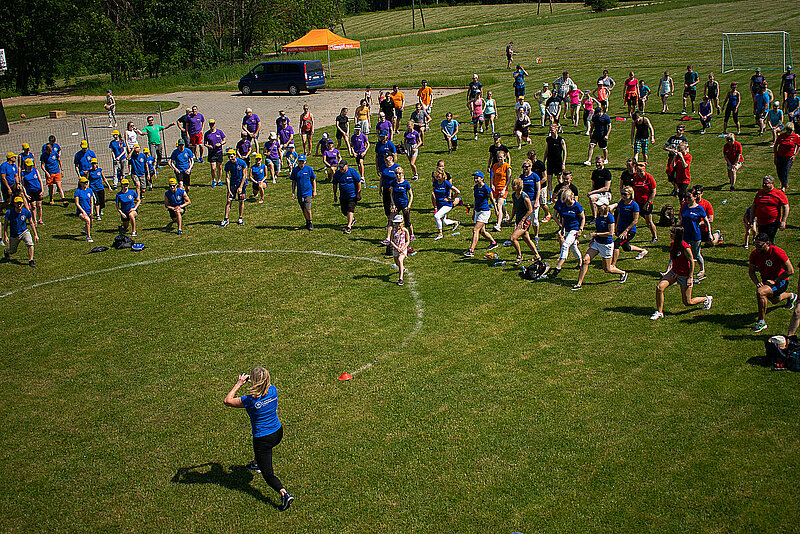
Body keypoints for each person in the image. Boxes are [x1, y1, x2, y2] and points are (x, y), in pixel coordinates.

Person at [223, 367, 294, 511]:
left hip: (263, 439)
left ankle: (284, 494)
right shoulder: (273, 390)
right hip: (278, 433)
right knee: (262, 455)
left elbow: (227, 401)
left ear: (254, 382)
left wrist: (239, 384)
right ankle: (256, 463)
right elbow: (262, 390)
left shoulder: (249, 400)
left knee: (268, 474)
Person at [650, 226, 713, 320]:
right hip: (674, 272)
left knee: (688, 302)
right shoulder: (672, 244)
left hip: (684, 275)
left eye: (673, 232)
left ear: (678, 235)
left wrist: (690, 277)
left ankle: (706, 299)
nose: (670, 233)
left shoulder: (685, 247)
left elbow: (691, 261)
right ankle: (659, 312)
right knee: (660, 287)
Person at [573, 196, 628, 290]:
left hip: (606, 245)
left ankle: (622, 273)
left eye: (600, 205)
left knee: (607, 269)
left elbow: (611, 233)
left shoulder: (610, 217)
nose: (598, 207)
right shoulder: (599, 215)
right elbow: (598, 229)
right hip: (597, 243)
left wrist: (596, 234)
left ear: (605, 206)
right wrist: (593, 239)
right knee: (585, 260)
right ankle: (579, 283)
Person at [748, 233, 796, 333]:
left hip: (781, 281)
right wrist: (757, 282)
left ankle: (761, 322)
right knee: (775, 300)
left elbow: (790, 270)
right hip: (767, 282)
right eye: (755, 245)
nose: (757, 248)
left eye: (759, 245)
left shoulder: (777, 252)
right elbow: (751, 271)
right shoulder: (754, 254)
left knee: (761, 292)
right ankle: (791, 296)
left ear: (767, 243)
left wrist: (775, 281)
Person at [549, 189, 584, 279]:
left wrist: (580, 229)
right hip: (567, 229)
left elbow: (583, 218)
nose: (566, 201)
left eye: (567, 199)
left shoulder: (577, 206)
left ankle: (558, 267)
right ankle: (580, 262)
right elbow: (563, 217)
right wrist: (562, 228)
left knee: (565, 245)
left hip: (575, 229)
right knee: (573, 247)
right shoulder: (564, 205)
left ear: (572, 197)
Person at [610, 185, 648, 268]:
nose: (623, 196)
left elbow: (635, 220)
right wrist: (617, 227)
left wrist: (626, 231)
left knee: (616, 244)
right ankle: (642, 250)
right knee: (626, 247)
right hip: (621, 228)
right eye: (622, 194)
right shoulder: (622, 203)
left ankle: (613, 264)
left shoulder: (634, 205)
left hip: (630, 231)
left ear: (630, 195)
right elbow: (619, 214)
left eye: (625, 194)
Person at [679, 188, 712, 282]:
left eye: (689, 197)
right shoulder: (685, 206)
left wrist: (709, 233)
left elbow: (707, 221)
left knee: (696, 254)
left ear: (695, 197)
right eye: (686, 197)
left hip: (695, 235)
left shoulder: (699, 209)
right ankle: (686, 270)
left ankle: (702, 269)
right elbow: (682, 220)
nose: (687, 199)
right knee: (684, 253)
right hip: (685, 235)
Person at [507, 177, 542, 266]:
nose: (512, 186)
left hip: (525, 221)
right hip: (518, 220)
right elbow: (514, 207)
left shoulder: (524, 197)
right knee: (526, 239)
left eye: (514, 185)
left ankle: (519, 256)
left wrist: (522, 220)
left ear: (519, 186)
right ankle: (537, 255)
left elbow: (530, 210)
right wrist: (511, 218)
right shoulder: (514, 195)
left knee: (513, 238)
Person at [463, 171, 497, 257]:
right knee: (482, 231)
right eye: (474, 177)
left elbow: (492, 199)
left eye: (477, 177)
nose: (475, 179)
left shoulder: (486, 188)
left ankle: (471, 250)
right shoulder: (475, 187)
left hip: (484, 211)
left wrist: (496, 210)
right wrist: (474, 212)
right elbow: (475, 200)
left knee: (475, 230)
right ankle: (493, 243)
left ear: (482, 178)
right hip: (478, 211)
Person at [750, 175, 789, 243]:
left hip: (772, 222)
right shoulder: (760, 193)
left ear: (772, 184)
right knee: (762, 240)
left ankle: (771, 252)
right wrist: (751, 219)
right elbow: (754, 206)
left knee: (768, 241)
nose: (764, 185)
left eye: (766, 183)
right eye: (763, 183)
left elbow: (786, 207)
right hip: (761, 222)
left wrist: (783, 221)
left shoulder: (778, 193)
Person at [2, 196, 38, 267]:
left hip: (24, 231)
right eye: (17, 203)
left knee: (30, 243)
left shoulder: (26, 212)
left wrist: (35, 234)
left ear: (23, 204)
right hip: (14, 234)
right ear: (14, 204)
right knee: (13, 251)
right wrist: (5, 236)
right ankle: (6, 251)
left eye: (20, 203)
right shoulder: (9, 213)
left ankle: (31, 260)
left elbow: (31, 222)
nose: (19, 205)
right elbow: (5, 225)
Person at [519, 157, 546, 242]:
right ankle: (525, 233)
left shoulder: (535, 176)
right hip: (525, 200)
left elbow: (538, 189)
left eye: (526, 167)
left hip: (533, 199)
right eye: (523, 167)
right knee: (524, 218)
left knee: (534, 219)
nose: (525, 169)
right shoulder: (522, 176)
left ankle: (536, 234)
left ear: (530, 167)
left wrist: (537, 201)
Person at [431, 164, 461, 240]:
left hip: (447, 205)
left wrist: (451, 199)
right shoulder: (435, 183)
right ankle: (456, 222)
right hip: (439, 204)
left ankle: (440, 234)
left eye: (439, 175)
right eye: (436, 175)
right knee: (444, 222)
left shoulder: (446, 183)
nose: (437, 177)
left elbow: (457, 191)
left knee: (437, 216)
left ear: (442, 174)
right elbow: (434, 192)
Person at [332, 160, 362, 234]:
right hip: (343, 196)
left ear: (346, 166)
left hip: (352, 195)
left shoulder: (353, 172)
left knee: (350, 210)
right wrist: (335, 195)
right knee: (344, 211)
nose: (341, 169)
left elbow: (358, 182)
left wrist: (358, 193)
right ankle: (352, 219)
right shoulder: (337, 174)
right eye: (340, 167)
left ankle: (349, 227)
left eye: (342, 167)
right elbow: (335, 184)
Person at [221, 149, 247, 227]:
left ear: (235, 155)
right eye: (229, 157)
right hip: (233, 184)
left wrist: (241, 187)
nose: (230, 158)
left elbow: (244, 175)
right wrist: (229, 189)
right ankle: (226, 219)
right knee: (229, 201)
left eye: (231, 156)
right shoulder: (227, 165)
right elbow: (227, 177)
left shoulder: (241, 163)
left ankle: (240, 218)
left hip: (241, 183)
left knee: (241, 201)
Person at [632, 161, 657, 243]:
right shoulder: (635, 177)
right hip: (637, 202)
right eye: (638, 171)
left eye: (641, 171)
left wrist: (648, 203)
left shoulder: (649, 178)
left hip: (647, 203)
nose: (639, 173)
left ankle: (655, 237)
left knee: (649, 221)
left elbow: (653, 191)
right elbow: (634, 189)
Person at [388, 167, 415, 243]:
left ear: (403, 174)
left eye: (399, 173)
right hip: (396, 205)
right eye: (396, 173)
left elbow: (411, 195)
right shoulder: (394, 183)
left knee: (407, 221)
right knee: (391, 219)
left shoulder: (406, 183)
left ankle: (412, 235)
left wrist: (408, 206)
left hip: (404, 204)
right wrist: (393, 204)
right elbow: (391, 194)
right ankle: (390, 237)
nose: (398, 175)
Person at [290, 155, 316, 230]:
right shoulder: (295, 170)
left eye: (302, 161)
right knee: (303, 208)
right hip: (300, 193)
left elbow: (313, 180)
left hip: (308, 192)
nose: (301, 163)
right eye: (300, 161)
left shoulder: (309, 169)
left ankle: (310, 223)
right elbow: (293, 182)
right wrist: (293, 192)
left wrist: (314, 190)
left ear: (305, 161)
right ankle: (307, 222)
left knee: (308, 209)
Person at [379, 154, 401, 245]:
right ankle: (390, 222)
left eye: (387, 157)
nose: (386, 159)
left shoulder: (396, 167)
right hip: (385, 190)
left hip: (393, 191)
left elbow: (399, 178)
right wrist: (380, 187)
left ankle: (392, 224)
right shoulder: (383, 167)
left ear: (391, 158)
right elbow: (382, 177)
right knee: (386, 208)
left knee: (393, 209)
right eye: (384, 157)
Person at [774, 122, 800, 191]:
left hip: (789, 157)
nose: (789, 132)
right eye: (788, 130)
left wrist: (795, 155)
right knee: (779, 172)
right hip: (780, 156)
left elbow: (799, 146)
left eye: (790, 130)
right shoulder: (781, 136)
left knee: (785, 171)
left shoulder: (795, 137)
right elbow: (776, 145)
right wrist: (775, 156)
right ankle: (784, 183)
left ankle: (783, 187)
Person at [664, 124, 688, 197]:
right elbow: (664, 147)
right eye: (677, 129)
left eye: (680, 130)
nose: (678, 131)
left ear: (683, 131)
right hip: (671, 157)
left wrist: (681, 153)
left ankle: (677, 190)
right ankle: (675, 187)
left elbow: (687, 149)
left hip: (679, 159)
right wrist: (670, 150)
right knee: (669, 173)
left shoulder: (684, 139)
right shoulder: (672, 138)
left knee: (678, 174)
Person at [490, 150, 512, 232]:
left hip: (503, 188)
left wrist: (504, 188)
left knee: (498, 206)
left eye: (501, 157)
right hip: (496, 188)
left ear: (505, 157)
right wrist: (492, 184)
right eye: (499, 157)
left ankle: (498, 225)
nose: (500, 159)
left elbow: (509, 179)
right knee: (499, 205)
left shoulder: (507, 166)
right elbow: (492, 176)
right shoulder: (495, 166)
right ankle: (506, 215)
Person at [543, 124, 566, 195]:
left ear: (556, 130)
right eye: (550, 129)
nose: (551, 130)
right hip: (550, 161)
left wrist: (563, 163)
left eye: (552, 129)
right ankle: (550, 196)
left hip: (558, 162)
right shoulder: (548, 140)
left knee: (559, 179)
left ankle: (563, 193)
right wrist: (543, 161)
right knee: (549, 180)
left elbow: (565, 152)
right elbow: (546, 151)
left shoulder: (560, 140)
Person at [20, 158, 44, 226]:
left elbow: (40, 181)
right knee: (33, 206)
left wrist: (42, 190)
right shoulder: (23, 173)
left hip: (37, 190)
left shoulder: (35, 171)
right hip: (30, 191)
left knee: (39, 205)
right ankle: (35, 220)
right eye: (29, 166)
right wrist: (26, 194)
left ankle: (40, 219)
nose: (30, 167)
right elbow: (23, 185)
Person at [204, 119, 227, 187]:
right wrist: (208, 146)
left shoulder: (219, 132)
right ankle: (213, 180)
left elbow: (224, 140)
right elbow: (205, 143)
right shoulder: (207, 134)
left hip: (219, 152)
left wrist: (220, 144)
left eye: (213, 124)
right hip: (212, 152)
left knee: (219, 167)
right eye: (210, 124)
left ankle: (219, 180)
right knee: (213, 167)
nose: (212, 125)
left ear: (215, 124)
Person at [86, 157, 110, 222]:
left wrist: (109, 186)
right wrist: (87, 189)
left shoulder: (100, 170)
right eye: (92, 164)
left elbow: (104, 178)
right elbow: (87, 180)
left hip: (100, 187)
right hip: (93, 188)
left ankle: (100, 209)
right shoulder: (89, 172)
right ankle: (97, 215)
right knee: (96, 201)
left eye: (95, 163)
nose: (94, 165)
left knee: (102, 201)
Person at [389, 214, 410, 286]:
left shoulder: (405, 231)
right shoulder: (393, 231)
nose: (397, 225)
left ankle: (401, 279)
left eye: (399, 223)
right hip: (396, 249)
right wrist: (396, 248)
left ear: (402, 223)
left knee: (400, 260)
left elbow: (407, 241)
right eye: (396, 223)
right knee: (396, 261)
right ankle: (402, 269)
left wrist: (403, 248)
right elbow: (391, 241)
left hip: (403, 249)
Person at [74, 177, 95, 243]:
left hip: (89, 210)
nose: (86, 183)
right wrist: (83, 211)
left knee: (90, 225)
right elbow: (77, 203)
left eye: (86, 182)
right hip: (81, 211)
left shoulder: (90, 190)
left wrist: (91, 211)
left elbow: (92, 202)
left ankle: (85, 228)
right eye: (84, 182)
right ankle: (88, 237)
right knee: (87, 220)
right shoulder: (78, 192)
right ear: (80, 183)